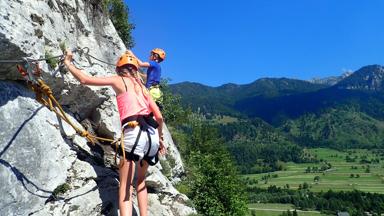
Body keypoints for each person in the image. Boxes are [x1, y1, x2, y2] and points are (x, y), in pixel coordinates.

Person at [64, 49, 166, 216]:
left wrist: (68, 62)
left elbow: (84, 79)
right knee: (141, 182)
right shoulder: (143, 88)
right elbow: (159, 117)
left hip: (134, 132)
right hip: (152, 135)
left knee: (125, 188)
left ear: (120, 69)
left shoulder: (118, 80)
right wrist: (160, 138)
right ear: (135, 70)